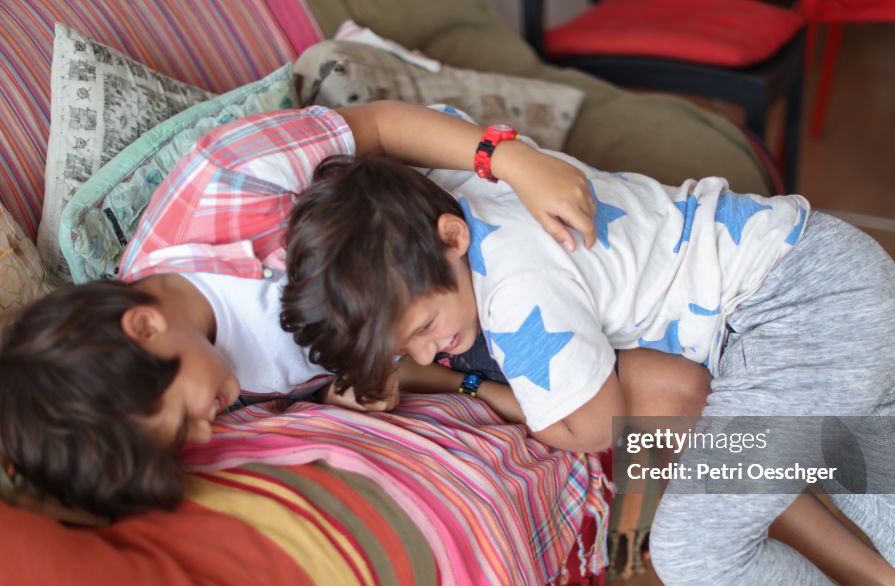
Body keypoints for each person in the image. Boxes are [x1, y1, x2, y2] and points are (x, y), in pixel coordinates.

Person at [282, 150, 895, 586]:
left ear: (452, 240)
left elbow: (594, 427)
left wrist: (430, 379)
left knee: (696, 553)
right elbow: (380, 133)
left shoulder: (515, 293)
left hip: (800, 314)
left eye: (424, 326)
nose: (432, 349)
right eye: (409, 345)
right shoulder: (452, 189)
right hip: (835, 291)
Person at [0, 101, 601, 518]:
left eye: (186, 419)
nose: (207, 432)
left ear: (145, 327)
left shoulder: (226, 184)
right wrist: (363, 389)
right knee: (648, 407)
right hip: (454, 335)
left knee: (613, 416)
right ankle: (692, 468)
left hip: (474, 250)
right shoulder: (212, 375)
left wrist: (510, 159)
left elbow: (381, 127)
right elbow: (377, 357)